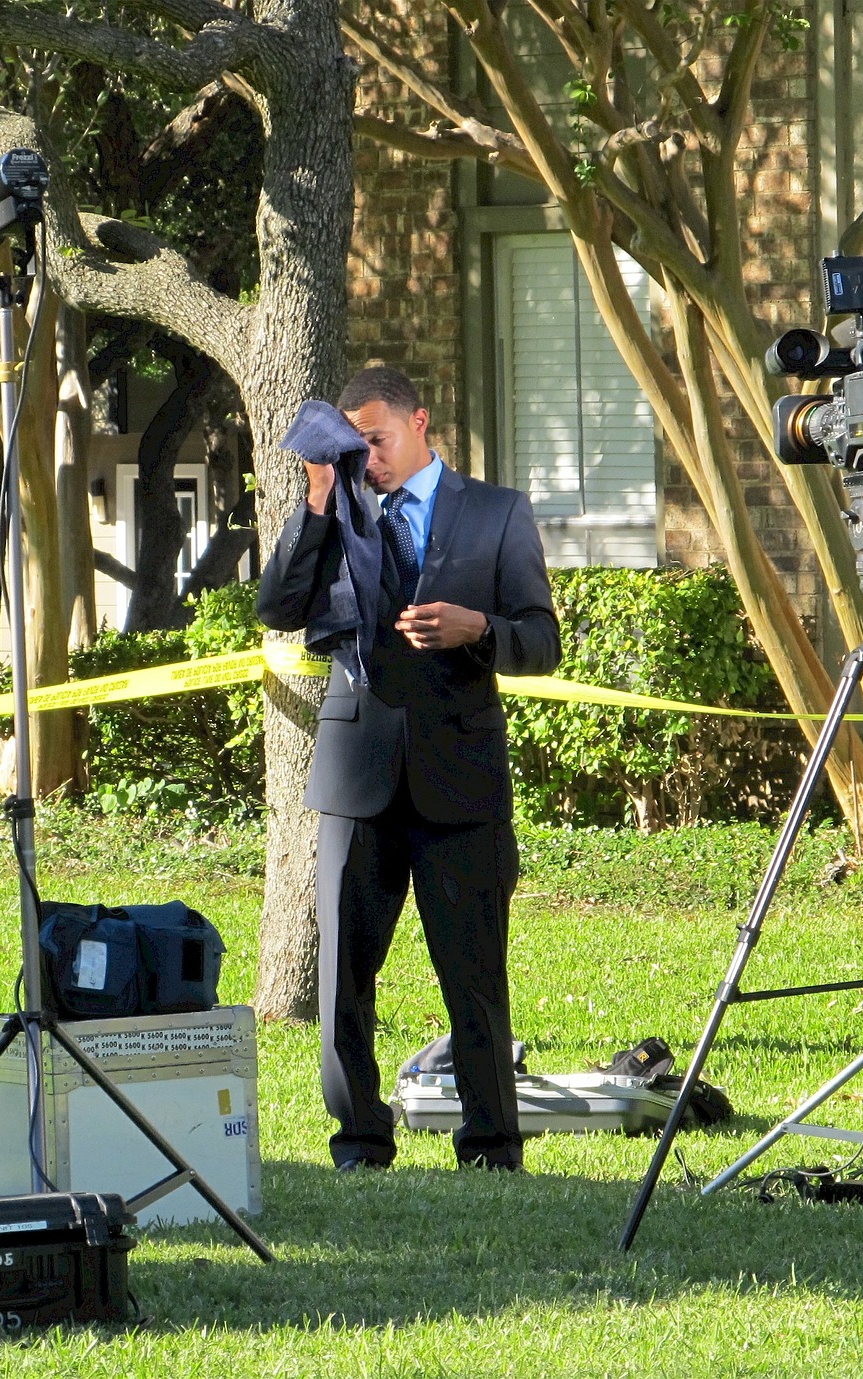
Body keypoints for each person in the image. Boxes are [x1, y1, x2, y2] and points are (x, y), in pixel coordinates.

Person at [257, 365, 561, 1173]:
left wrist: (477, 627)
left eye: (378, 440)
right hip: (357, 777)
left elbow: (542, 640)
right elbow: (278, 607)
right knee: (344, 977)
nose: (369, 458)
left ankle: (492, 1145)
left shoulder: (497, 513)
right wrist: (317, 501)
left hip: (460, 779)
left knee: (475, 977)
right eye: (353, 445)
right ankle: (360, 1140)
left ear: (419, 422)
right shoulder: (336, 512)